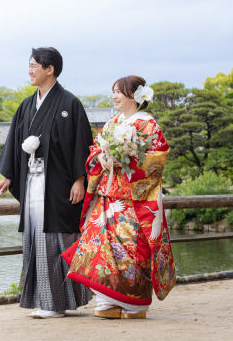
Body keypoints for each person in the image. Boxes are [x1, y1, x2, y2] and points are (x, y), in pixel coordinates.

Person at [62, 76, 175, 319]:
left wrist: (129, 160)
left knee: (132, 249)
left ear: (135, 96)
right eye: (113, 91)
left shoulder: (148, 124)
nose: (114, 96)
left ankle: (134, 304)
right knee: (100, 245)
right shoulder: (114, 122)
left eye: (119, 92)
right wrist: (101, 158)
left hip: (134, 198)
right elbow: (95, 148)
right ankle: (106, 300)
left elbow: (158, 157)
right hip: (107, 195)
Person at [0, 47, 93, 318]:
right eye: (29, 65)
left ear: (49, 69)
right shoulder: (27, 105)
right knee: (36, 240)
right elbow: (15, 144)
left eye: (33, 65)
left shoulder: (69, 104)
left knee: (56, 240)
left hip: (59, 185)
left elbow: (81, 145)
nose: (29, 70)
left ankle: (56, 303)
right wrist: (9, 175)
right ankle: (46, 300)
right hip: (32, 181)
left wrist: (79, 179)